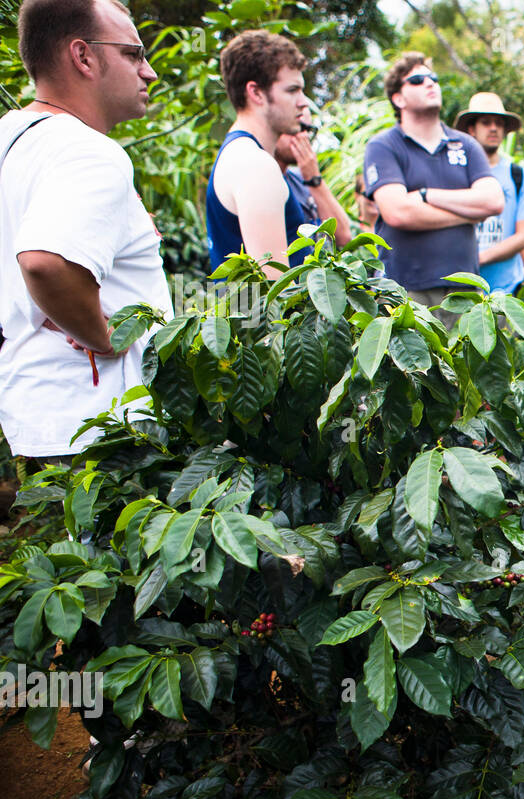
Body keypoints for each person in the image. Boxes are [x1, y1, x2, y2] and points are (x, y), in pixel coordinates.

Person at [0, 0, 171, 460]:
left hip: (39, 414)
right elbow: (43, 261)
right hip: (105, 423)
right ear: (83, 56)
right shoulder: (89, 152)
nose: (149, 71)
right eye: (133, 54)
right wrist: (102, 333)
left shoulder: (13, 139)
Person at [362, 52, 503, 311]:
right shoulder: (383, 146)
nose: (430, 83)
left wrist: (425, 195)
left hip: (464, 293)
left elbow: (493, 201)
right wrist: (469, 213)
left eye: (433, 78)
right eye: (417, 79)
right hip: (404, 291)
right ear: (398, 98)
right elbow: (398, 212)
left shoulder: (466, 145)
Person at [206, 29, 311, 276]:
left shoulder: (239, 154)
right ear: (255, 93)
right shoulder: (255, 165)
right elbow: (275, 289)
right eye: (292, 90)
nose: (303, 101)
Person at [454, 91, 524, 296]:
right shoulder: (455, 175)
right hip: (459, 290)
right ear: (472, 129)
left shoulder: (520, 175)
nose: (493, 128)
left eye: (499, 123)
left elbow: (523, 237)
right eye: (486, 122)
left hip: (506, 291)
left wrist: (479, 258)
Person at [273, 104, 351, 248]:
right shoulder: (261, 179)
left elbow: (343, 236)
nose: (304, 137)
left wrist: (314, 178)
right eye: (298, 128)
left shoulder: (302, 179)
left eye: (308, 130)